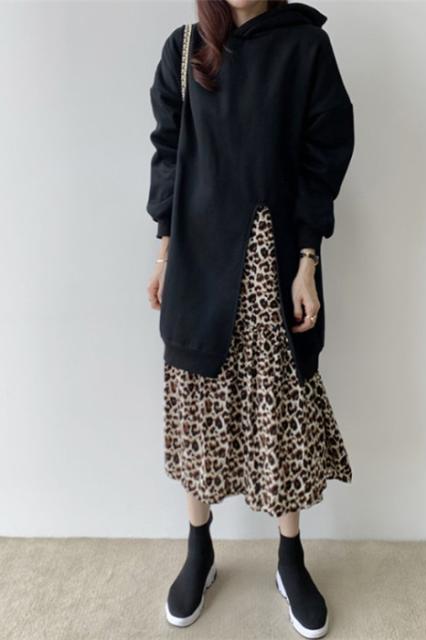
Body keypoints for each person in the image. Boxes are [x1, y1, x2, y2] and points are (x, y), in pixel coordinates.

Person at [145, 1, 355, 637]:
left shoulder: (305, 47)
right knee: (198, 404)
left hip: (272, 256)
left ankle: (290, 559)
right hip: (197, 256)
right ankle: (199, 550)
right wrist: (163, 253)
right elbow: (169, 151)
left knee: (280, 409)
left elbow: (324, 153)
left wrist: (307, 261)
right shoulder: (185, 48)